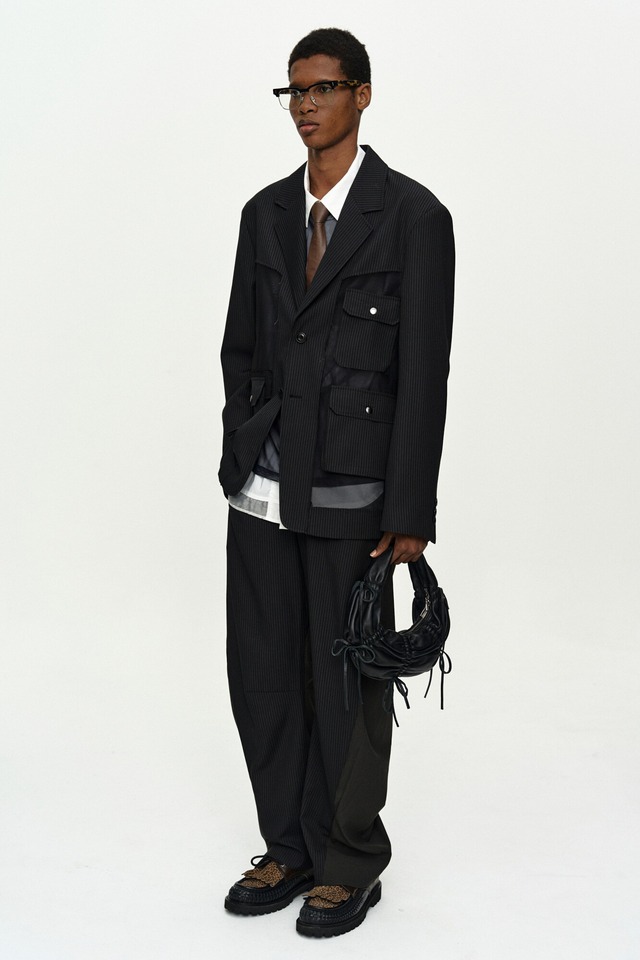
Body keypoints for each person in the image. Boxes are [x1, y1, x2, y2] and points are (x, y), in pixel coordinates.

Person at [218, 27, 455, 938]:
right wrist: (241, 444)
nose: (306, 106)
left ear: (362, 94)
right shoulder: (264, 213)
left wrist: (411, 509)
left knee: (345, 682)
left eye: (322, 88)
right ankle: (288, 847)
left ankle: (349, 861)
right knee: (263, 674)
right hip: (263, 491)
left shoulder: (413, 216)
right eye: (294, 91)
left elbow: (423, 374)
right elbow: (240, 348)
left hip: (354, 494)